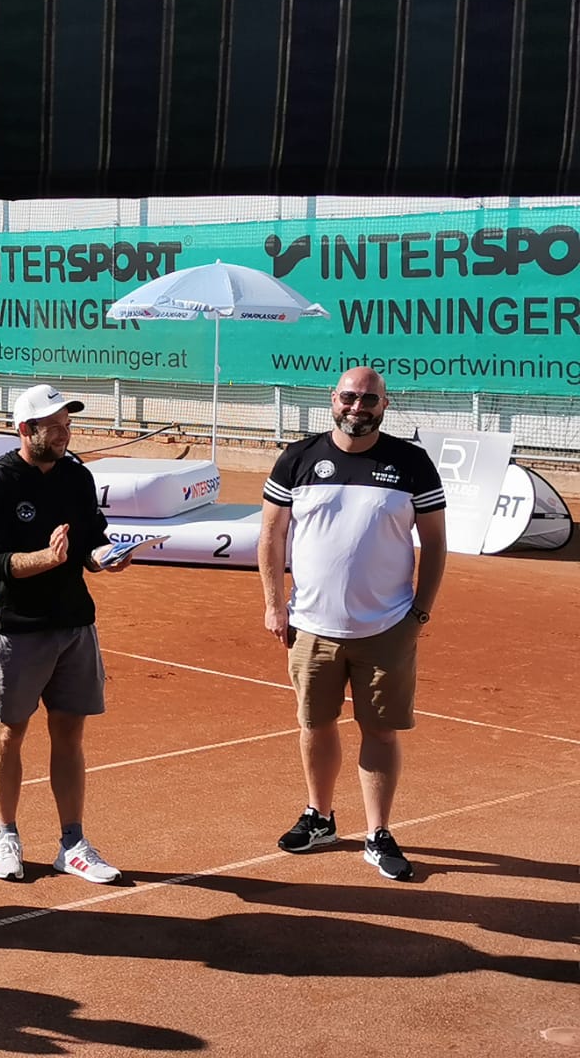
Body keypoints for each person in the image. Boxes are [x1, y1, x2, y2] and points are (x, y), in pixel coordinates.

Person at [258, 366, 447, 881]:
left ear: (385, 404)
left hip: (387, 628)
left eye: (368, 399)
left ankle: (377, 833)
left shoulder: (411, 464)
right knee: (314, 725)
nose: (357, 407)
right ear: (333, 398)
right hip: (309, 627)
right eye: (349, 397)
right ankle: (319, 817)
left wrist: (419, 614)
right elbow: (271, 536)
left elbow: (435, 543)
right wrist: (274, 605)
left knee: (380, 731)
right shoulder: (298, 458)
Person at [0, 384, 132, 886]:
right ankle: (6, 836)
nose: (65, 434)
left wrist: (104, 558)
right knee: (9, 733)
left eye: (68, 425)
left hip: (75, 626)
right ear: (27, 430)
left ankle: (73, 844)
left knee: (69, 734)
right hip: (18, 631)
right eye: (55, 426)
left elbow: (91, 541)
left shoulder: (77, 476)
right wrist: (46, 558)